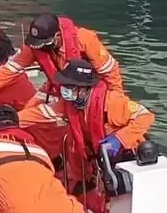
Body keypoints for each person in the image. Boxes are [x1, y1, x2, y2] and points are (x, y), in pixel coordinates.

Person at [0, 13, 123, 158]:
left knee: (96, 130)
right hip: (60, 89)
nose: (39, 49)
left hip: (90, 94)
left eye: (43, 44)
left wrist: (115, 100)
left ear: (57, 37)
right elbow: (8, 71)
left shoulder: (85, 40)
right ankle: (46, 155)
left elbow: (110, 71)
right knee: (30, 115)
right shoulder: (35, 46)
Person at [53, 59, 154, 199]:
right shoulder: (72, 104)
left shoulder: (113, 102)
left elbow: (145, 116)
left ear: (83, 89)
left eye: (70, 87)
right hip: (102, 155)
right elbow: (44, 113)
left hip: (127, 153)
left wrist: (119, 139)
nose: (65, 90)